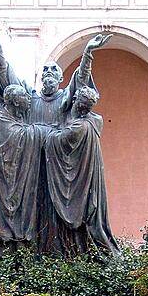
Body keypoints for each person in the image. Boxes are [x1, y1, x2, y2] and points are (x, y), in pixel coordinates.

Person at [0, 20, 111, 126]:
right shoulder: (30, 98)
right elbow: (5, 74)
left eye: (53, 69)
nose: (49, 71)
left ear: (61, 78)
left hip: (58, 152)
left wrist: (87, 53)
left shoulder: (65, 98)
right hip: (32, 152)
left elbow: (81, 77)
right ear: (41, 77)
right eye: (45, 69)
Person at [44, 86, 119, 256]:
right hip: (92, 177)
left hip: (82, 182)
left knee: (84, 217)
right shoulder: (96, 120)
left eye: (77, 101)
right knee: (92, 216)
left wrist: (47, 132)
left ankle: (94, 255)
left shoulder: (78, 128)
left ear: (78, 102)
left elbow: (52, 141)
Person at [0, 84, 51, 254]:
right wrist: (41, 132)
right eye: (24, 97)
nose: (29, 100)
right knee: (7, 216)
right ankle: (8, 250)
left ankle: (21, 248)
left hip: (19, 178)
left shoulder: (13, 118)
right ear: (15, 101)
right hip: (5, 181)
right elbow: (16, 138)